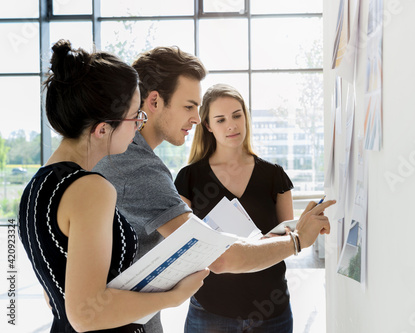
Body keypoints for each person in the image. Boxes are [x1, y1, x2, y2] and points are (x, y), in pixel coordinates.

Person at [93, 46, 334, 333]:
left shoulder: (118, 156)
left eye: (236, 115)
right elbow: (218, 257)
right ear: (155, 101)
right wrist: (298, 241)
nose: (195, 118)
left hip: (135, 319)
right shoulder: (141, 167)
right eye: (189, 106)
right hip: (145, 320)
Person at [17, 40, 208, 333]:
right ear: (102, 129)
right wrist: (173, 297)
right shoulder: (92, 189)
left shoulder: (35, 187)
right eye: (135, 116)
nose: (139, 125)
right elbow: (85, 315)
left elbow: (55, 293)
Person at [174, 83, 299, 332]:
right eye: (220, 120)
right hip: (211, 310)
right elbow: (182, 244)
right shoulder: (189, 178)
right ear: (208, 126)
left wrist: (272, 241)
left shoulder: (274, 175)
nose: (231, 125)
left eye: (237, 115)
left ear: (246, 117)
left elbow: (289, 239)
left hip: (271, 310)